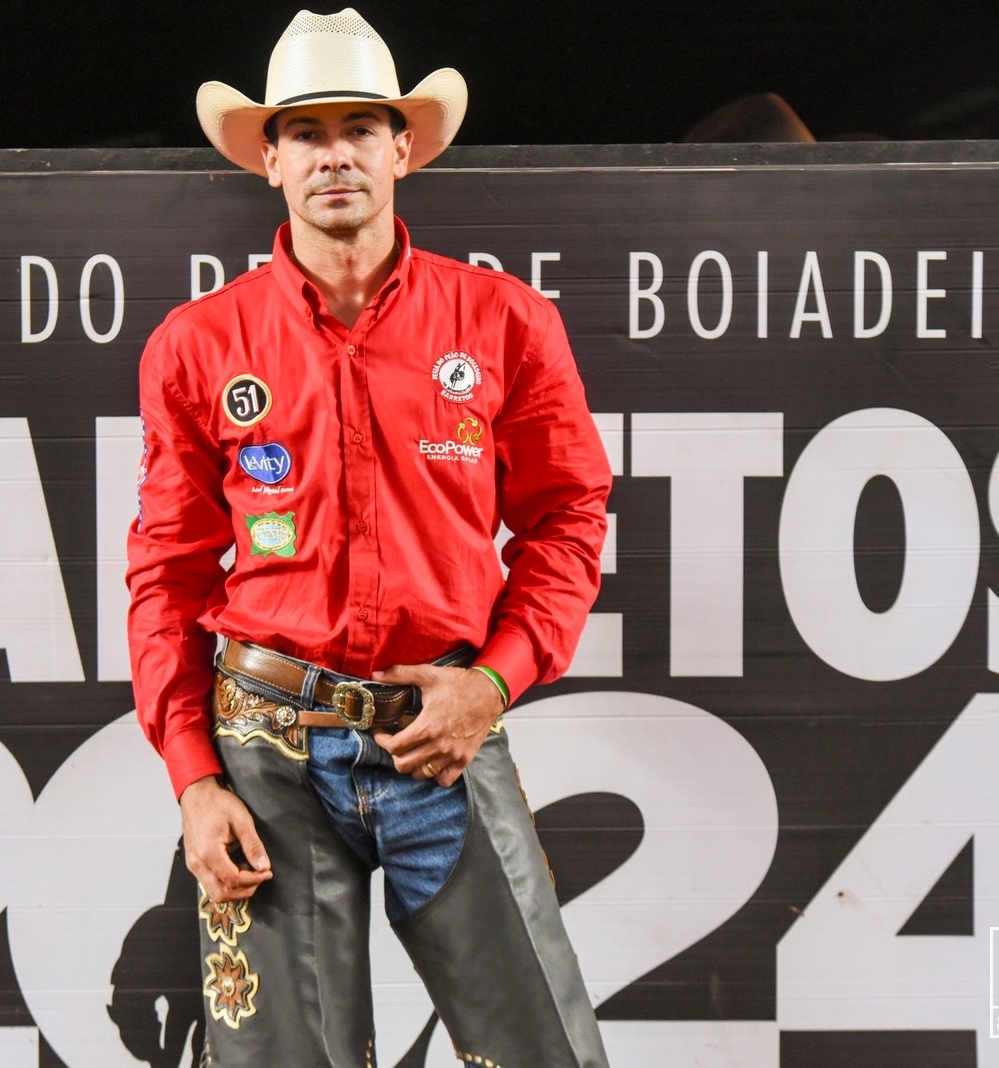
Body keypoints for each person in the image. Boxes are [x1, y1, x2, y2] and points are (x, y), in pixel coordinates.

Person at [127, 8, 613, 1066]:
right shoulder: (198, 347)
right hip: (266, 749)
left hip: (441, 733)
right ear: (269, 160)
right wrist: (192, 778)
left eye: (359, 127)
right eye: (305, 132)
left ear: (402, 147)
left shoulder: (504, 323)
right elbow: (164, 573)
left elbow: (568, 521)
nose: (334, 152)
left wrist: (489, 686)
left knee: (543, 1051)